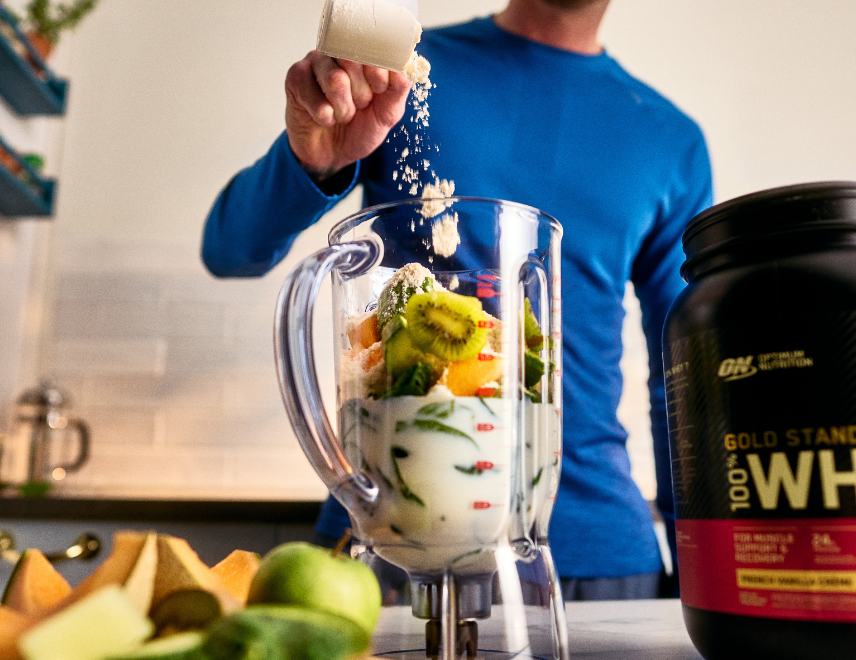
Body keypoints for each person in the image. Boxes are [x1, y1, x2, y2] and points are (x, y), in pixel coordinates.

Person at [203, 0, 712, 600]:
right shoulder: (402, 73)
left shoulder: (670, 139)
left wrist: (704, 572)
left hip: (596, 553)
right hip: (396, 527)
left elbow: (686, 376)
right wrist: (314, 157)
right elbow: (230, 248)